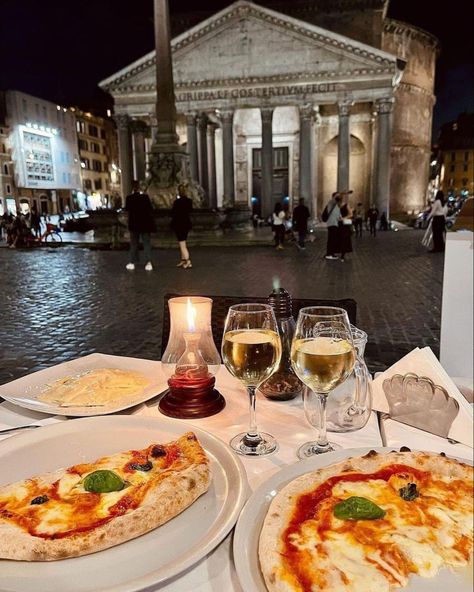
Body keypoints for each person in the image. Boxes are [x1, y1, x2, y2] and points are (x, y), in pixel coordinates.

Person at [124, 180, 156, 271]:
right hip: (145, 224)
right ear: (139, 188)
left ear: (132, 188)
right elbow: (150, 209)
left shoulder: (129, 198)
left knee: (134, 243)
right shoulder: (145, 197)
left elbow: (127, 210)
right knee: (146, 243)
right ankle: (148, 262)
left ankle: (132, 262)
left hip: (134, 224)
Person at [170, 184, 193, 269]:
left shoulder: (177, 202)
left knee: (182, 244)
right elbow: (190, 210)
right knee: (183, 242)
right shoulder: (189, 201)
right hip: (186, 223)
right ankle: (183, 260)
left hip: (179, 224)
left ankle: (188, 261)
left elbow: (173, 213)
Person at [324, 192, 342, 260]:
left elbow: (339, 216)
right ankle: (329, 254)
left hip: (335, 224)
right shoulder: (331, 203)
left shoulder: (337, 206)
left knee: (333, 239)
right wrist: (343, 192)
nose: (340, 197)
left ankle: (331, 253)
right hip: (331, 224)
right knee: (331, 239)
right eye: (338, 196)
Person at [338, 194, 353, 262]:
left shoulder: (346, 205)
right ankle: (339, 253)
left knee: (344, 239)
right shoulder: (336, 206)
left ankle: (342, 255)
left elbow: (351, 214)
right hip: (338, 224)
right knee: (339, 239)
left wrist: (343, 218)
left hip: (344, 224)